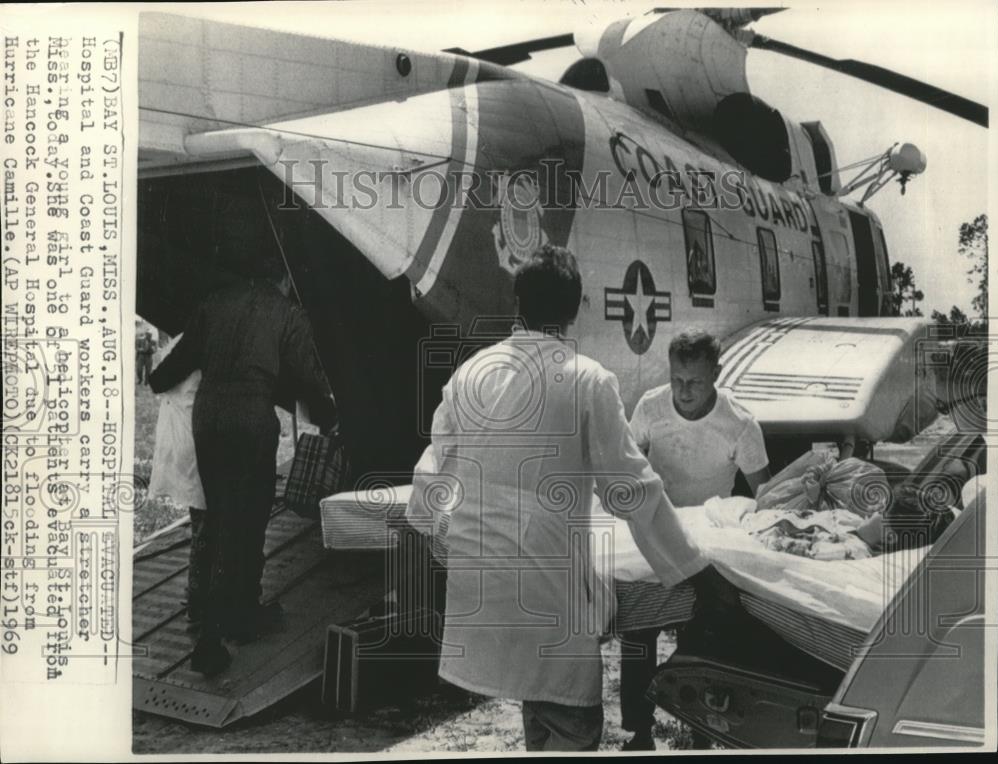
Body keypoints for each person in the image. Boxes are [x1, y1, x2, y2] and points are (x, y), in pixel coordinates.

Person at [406, 245, 708, 752]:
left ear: (516, 305)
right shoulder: (588, 379)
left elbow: (433, 472)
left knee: (537, 707)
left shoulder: (470, 373)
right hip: (547, 588)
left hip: (485, 588)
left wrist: (445, 538)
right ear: (575, 310)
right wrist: (690, 567)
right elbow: (630, 488)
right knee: (570, 716)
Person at [149, 257, 337, 675]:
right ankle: (235, 620)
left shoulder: (215, 302)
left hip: (209, 416)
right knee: (249, 520)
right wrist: (331, 417)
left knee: (218, 519)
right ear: (286, 277)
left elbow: (172, 367)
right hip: (252, 418)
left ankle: (217, 628)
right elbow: (306, 376)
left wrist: (158, 380)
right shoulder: (287, 312)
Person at [619, 330, 771, 751]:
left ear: (717, 374)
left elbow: (766, 494)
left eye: (695, 382)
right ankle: (639, 731)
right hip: (654, 537)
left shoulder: (740, 423)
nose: (683, 392)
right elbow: (629, 471)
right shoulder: (650, 407)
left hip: (708, 544)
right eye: (676, 380)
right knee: (637, 629)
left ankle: (703, 733)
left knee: (709, 636)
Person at [146, 334, 209, 623]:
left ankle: (199, 593)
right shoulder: (199, 345)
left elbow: (159, 380)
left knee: (202, 520)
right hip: (195, 437)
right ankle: (199, 598)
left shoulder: (179, 345)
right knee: (206, 521)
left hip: (183, 436)